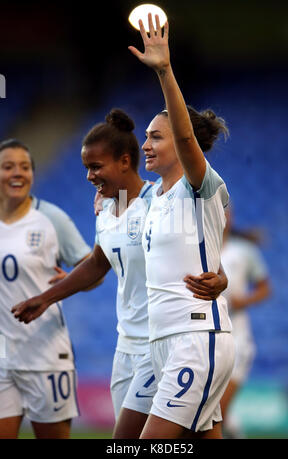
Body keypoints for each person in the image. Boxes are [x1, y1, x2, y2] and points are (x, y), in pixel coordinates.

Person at [12, 109, 228, 439]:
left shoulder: (158, 197)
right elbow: (99, 263)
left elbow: (199, 240)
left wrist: (221, 277)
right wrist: (45, 299)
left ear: (124, 162)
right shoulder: (111, 208)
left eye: (96, 167)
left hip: (169, 341)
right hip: (129, 344)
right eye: (86, 168)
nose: (89, 177)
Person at [127, 14, 235, 439]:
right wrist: (102, 186)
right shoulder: (153, 196)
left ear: (181, 140)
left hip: (196, 335)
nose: (145, 144)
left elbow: (189, 140)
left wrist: (164, 71)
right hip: (164, 340)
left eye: (156, 137)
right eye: (146, 137)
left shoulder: (201, 186)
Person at [0, 139, 94, 439]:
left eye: (25, 167)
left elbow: (96, 271)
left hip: (45, 356)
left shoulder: (52, 218)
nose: (18, 173)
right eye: (8, 166)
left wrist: (69, 281)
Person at [220, 206, 271, 438]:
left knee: (216, 413)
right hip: (206, 341)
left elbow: (265, 289)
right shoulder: (198, 250)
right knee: (210, 414)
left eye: (227, 212)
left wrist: (245, 300)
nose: (223, 217)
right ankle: (235, 430)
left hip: (237, 340)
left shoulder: (244, 251)